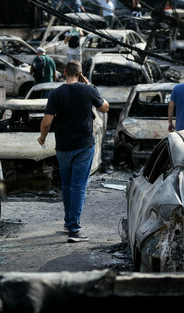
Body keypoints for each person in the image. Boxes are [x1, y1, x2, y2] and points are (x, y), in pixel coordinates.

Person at [38, 60, 109, 243]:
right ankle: (74, 230)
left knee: (68, 185)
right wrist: (89, 86)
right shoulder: (89, 90)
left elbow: (46, 122)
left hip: (63, 146)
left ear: (64, 72)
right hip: (84, 145)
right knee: (79, 186)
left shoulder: (56, 94)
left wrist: (42, 138)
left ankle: (69, 223)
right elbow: (105, 108)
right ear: (81, 73)